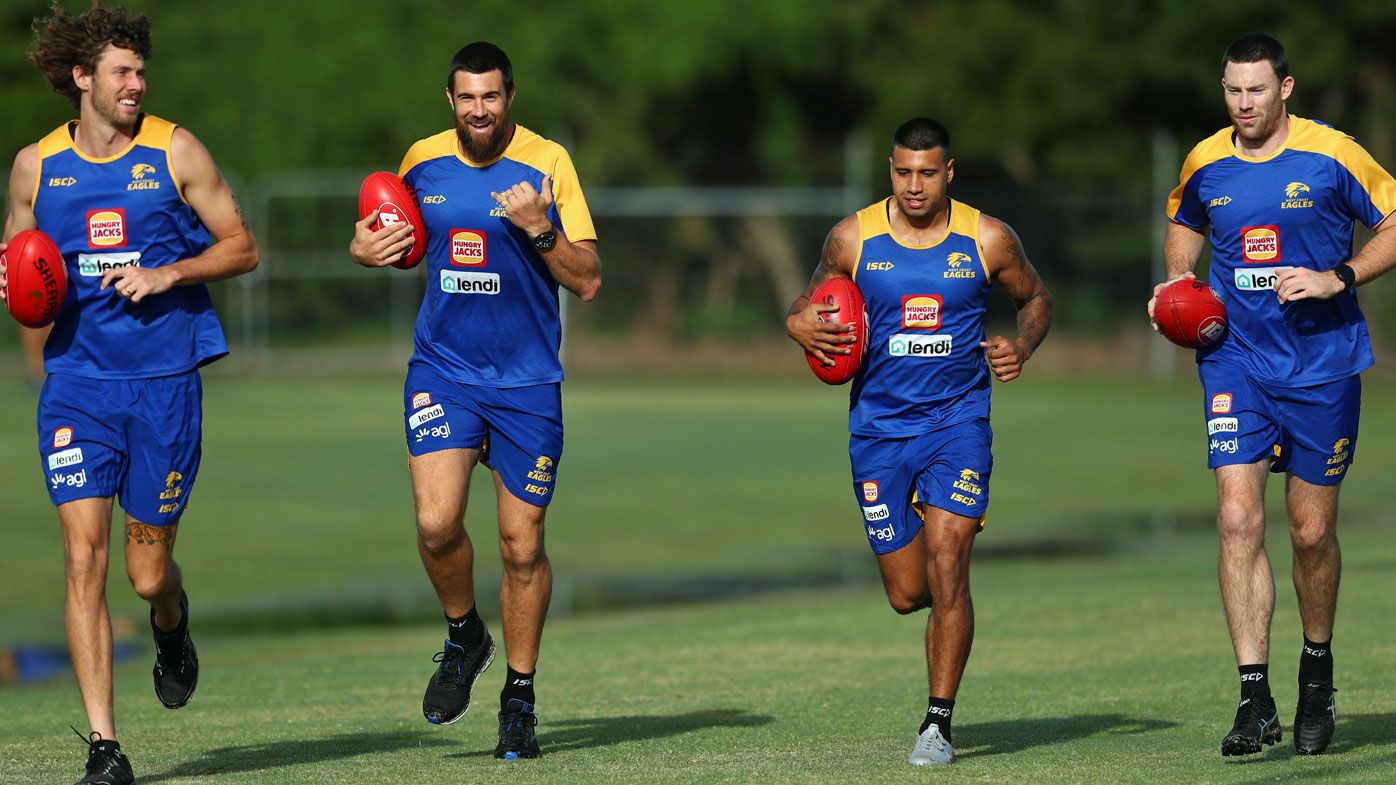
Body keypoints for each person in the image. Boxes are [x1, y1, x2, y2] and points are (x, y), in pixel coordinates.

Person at [0, 3, 258, 783]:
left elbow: (242, 246)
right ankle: (106, 749)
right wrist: (18, 305)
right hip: (78, 388)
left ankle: (171, 620)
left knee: (146, 575)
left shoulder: (174, 151)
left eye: (141, 71)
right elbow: (21, 266)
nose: (136, 83)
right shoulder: (35, 167)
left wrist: (169, 272)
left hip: (164, 384)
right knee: (83, 559)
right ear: (82, 78)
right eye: (122, 71)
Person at [349, 41, 600, 761]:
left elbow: (586, 277)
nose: (479, 110)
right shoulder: (421, 160)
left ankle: (518, 697)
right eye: (467, 97)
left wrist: (539, 227)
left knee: (522, 546)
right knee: (435, 523)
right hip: (444, 370)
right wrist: (365, 252)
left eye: (491, 96)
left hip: (525, 383)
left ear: (510, 98)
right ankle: (466, 635)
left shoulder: (547, 164)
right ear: (450, 100)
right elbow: (383, 239)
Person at [1149, 34, 1396, 757]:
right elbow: (1184, 222)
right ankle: (1254, 696)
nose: (1244, 103)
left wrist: (1338, 278)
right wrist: (1178, 282)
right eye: (1233, 90)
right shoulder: (1205, 160)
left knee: (1312, 532)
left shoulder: (1334, 154)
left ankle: (1315, 669)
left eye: (1257, 90)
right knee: (1235, 517)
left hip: (1321, 363)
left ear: (1285, 89)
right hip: (1235, 362)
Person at [786, 118, 1052, 766]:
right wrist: (800, 325)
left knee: (948, 558)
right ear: (890, 168)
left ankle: (937, 723)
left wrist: (1022, 344)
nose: (913, 184)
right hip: (877, 433)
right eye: (903, 171)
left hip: (957, 425)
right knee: (910, 591)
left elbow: (1036, 297)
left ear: (949, 172)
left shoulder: (987, 237)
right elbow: (809, 301)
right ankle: (947, 605)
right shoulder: (853, 237)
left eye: (927, 172)